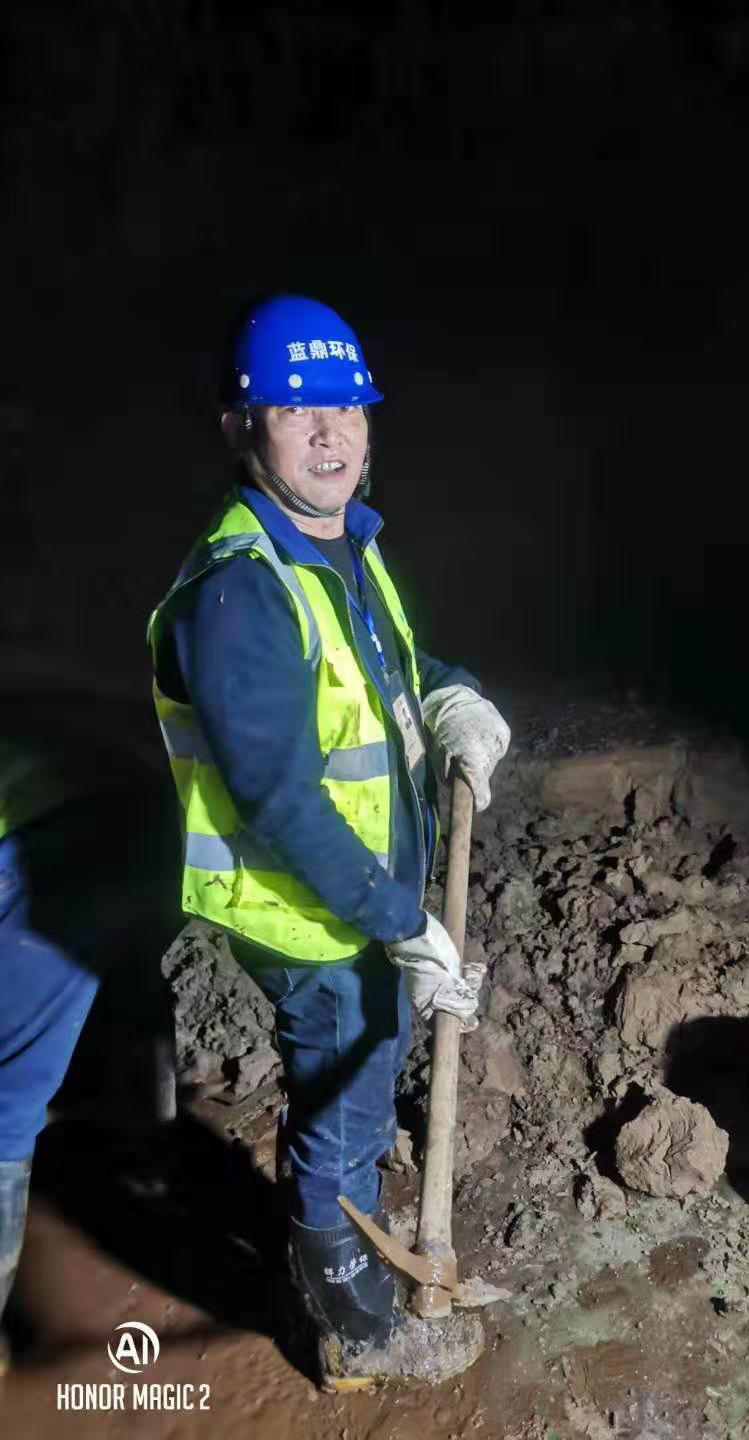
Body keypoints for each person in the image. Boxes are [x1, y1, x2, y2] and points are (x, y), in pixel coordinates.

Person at [147, 294, 510, 1383]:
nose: (329, 432)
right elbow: (281, 800)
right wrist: (403, 923)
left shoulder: (339, 543)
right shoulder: (240, 593)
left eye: (346, 407)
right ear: (240, 428)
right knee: (347, 1108)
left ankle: (337, 1243)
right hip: (308, 916)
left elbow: (386, 671)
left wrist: (451, 695)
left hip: (358, 895)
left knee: (364, 1069)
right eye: (295, 409)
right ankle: (354, 1330)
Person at [0, 721, 177, 1373]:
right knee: (125, 980)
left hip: (52, 847)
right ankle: (152, 1152)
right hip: (149, 813)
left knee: (7, 1096)